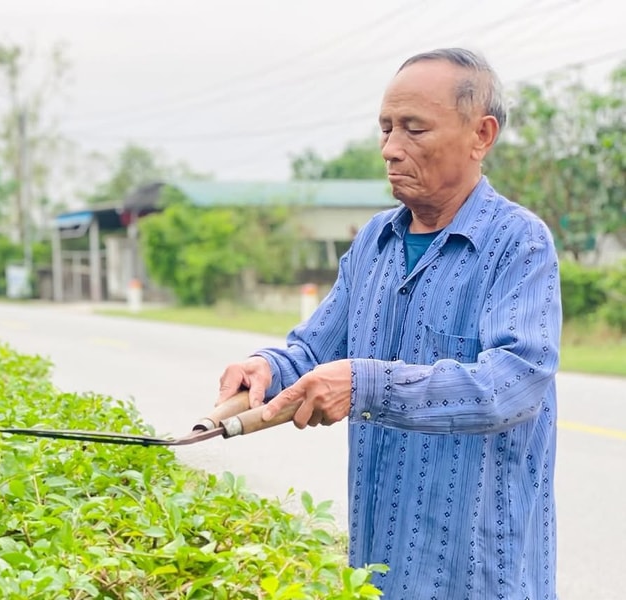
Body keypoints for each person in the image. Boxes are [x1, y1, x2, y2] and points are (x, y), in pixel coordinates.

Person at [217, 48, 561, 599]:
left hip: (474, 574)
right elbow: (313, 352)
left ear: (482, 135)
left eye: (414, 129)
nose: (390, 149)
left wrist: (369, 384)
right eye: (385, 128)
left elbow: (512, 387)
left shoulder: (517, 243)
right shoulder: (375, 242)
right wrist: (266, 369)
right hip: (378, 569)